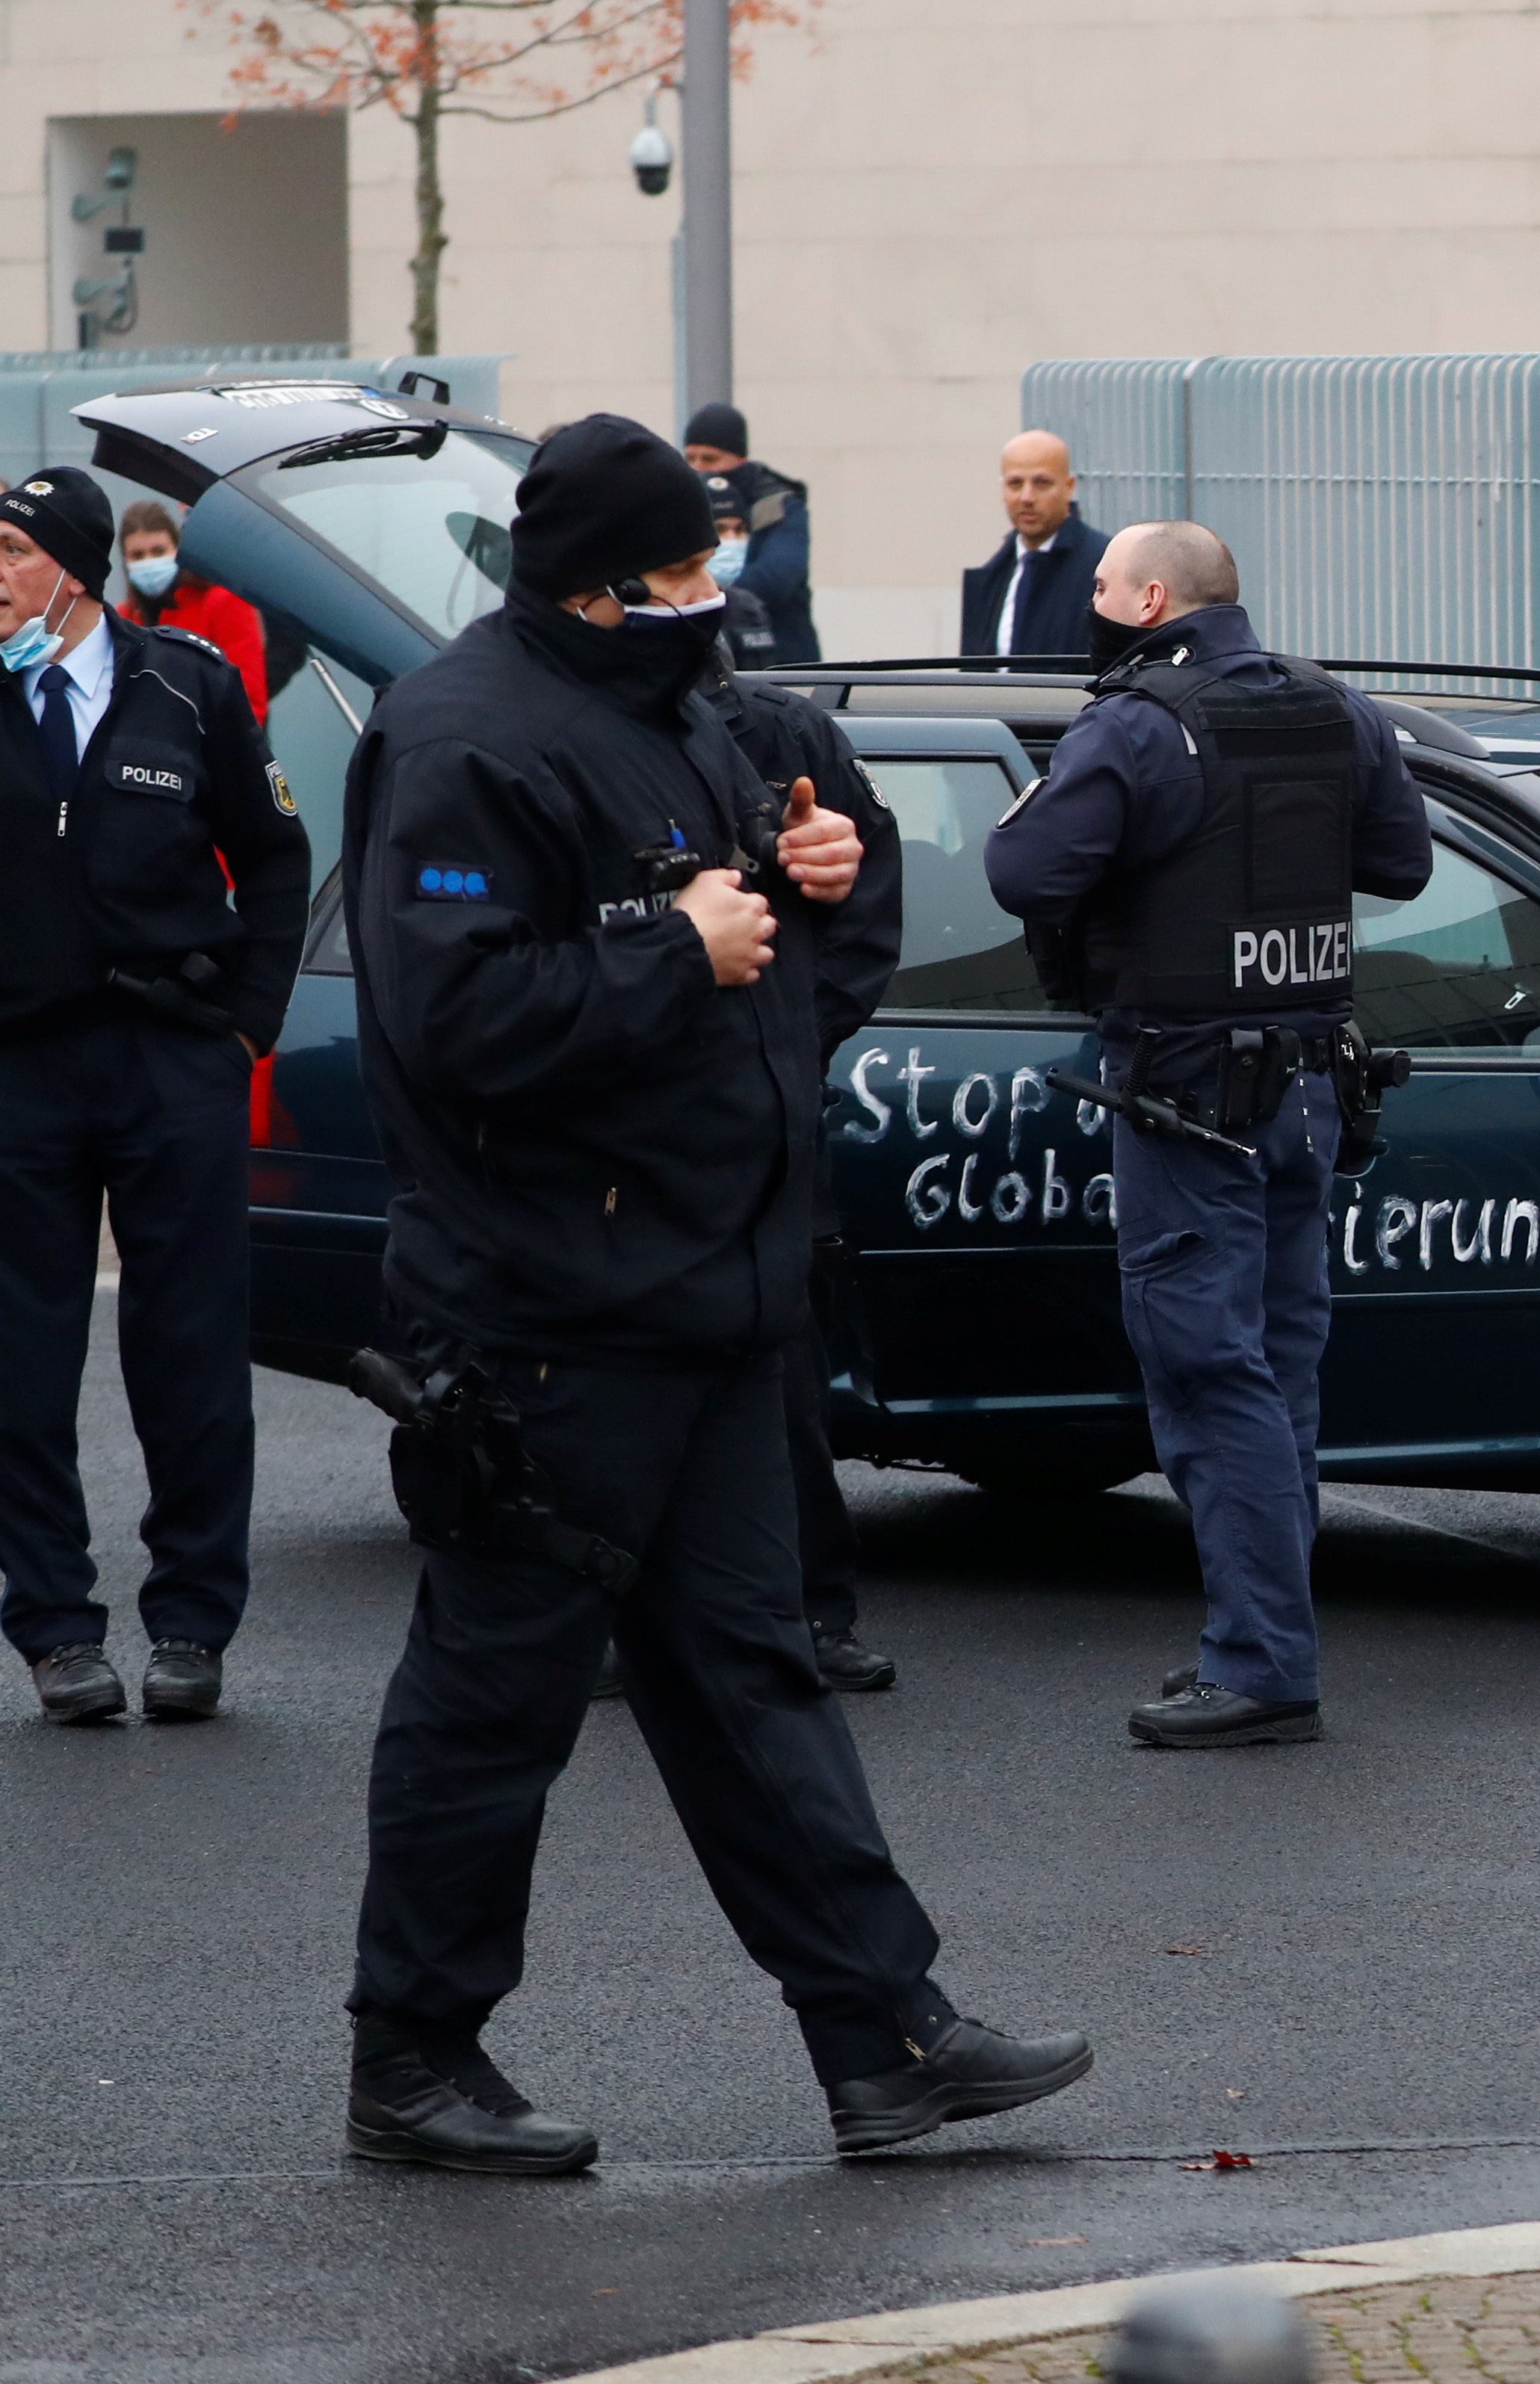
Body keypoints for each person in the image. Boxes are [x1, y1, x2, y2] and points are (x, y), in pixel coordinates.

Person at [338, 413, 1082, 2171]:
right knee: (495, 1692)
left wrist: (804, 889)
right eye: (681, 573)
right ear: (599, 592)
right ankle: (412, 2060)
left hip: (713, 1289)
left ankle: (883, 2036)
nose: (713, 593)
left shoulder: (669, 708)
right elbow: (452, 1022)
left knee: (753, 1674)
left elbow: (758, 947)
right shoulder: (461, 740)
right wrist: (675, 943)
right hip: (549, 1313)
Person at [980, 522, 1428, 1750]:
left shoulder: (1136, 722)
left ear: (1156, 597)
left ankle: (1262, 1663)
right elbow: (1403, 862)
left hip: (1188, 1095)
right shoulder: (1334, 706)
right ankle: (1270, 1642)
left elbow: (1022, 870)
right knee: (1278, 1367)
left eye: (1107, 588)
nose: (1096, 605)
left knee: (1204, 1369)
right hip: (1308, 1092)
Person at [0, 467, 302, 1728]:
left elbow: (278, 857)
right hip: (21, 1073)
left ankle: (190, 1619)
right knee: (21, 1362)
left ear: (69, 566)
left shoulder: (189, 684)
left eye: (7, 553)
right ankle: (58, 1630)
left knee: (187, 1350)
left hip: (174, 1058)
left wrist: (245, 1026)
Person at [708, 615, 904, 1693]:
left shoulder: (789, 737)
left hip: (768, 1121)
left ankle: (814, 1613)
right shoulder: (577, 738)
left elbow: (869, 908)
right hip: (622, 1125)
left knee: (784, 1378)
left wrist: (790, 1041)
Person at [680, 402, 816, 664]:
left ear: (739, 458)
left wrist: (711, 599)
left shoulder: (776, 505)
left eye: (709, 459)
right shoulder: (682, 500)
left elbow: (778, 577)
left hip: (780, 654)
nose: (698, 468)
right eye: (690, 458)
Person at [112, 501, 270, 719]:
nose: (149, 562)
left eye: (158, 551)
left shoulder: (223, 602)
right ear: (125, 560)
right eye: (138, 556)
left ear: (177, 549)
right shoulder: (122, 619)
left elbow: (247, 699)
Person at [961, 431, 1107, 662]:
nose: (1027, 497)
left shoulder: (1103, 571)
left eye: (1041, 483)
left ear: (1069, 487)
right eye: (1015, 483)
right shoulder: (991, 577)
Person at [701, 473, 787, 672]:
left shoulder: (748, 608)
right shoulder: (671, 607)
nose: (732, 540)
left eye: (740, 529)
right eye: (719, 529)